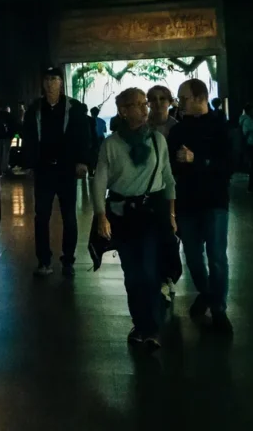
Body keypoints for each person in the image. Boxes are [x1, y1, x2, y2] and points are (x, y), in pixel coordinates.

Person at [91, 88, 176, 351]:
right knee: (132, 273)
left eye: (144, 103)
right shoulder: (111, 144)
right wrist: (100, 215)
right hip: (123, 215)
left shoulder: (157, 140)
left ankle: (151, 328)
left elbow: (168, 178)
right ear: (123, 111)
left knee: (149, 271)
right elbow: (100, 181)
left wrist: (172, 213)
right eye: (137, 104)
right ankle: (139, 324)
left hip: (151, 214)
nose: (144, 108)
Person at [169, 79, 233, 333]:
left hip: (215, 201)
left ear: (200, 98)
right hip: (187, 201)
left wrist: (196, 160)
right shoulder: (178, 130)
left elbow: (229, 165)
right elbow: (171, 166)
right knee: (193, 258)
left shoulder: (221, 126)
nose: (180, 103)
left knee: (217, 257)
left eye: (183, 98)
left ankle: (219, 309)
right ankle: (207, 293)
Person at [21, 67, 91, 277]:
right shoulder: (35, 109)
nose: (50, 83)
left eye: (54, 79)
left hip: (66, 169)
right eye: (47, 79)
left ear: (61, 82)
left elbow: (84, 136)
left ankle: (68, 259)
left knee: (69, 216)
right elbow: (28, 136)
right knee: (41, 216)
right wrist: (29, 162)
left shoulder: (74, 108)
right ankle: (44, 260)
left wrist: (82, 161)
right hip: (43, 170)